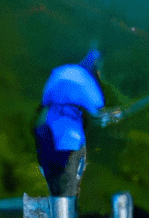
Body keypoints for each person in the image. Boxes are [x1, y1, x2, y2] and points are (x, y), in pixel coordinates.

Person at [35, 50, 105, 199]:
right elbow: (97, 109)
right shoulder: (86, 80)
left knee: (53, 180)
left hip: (46, 129)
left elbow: (44, 100)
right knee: (69, 183)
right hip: (69, 137)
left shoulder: (59, 73)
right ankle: (67, 210)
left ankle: (56, 204)